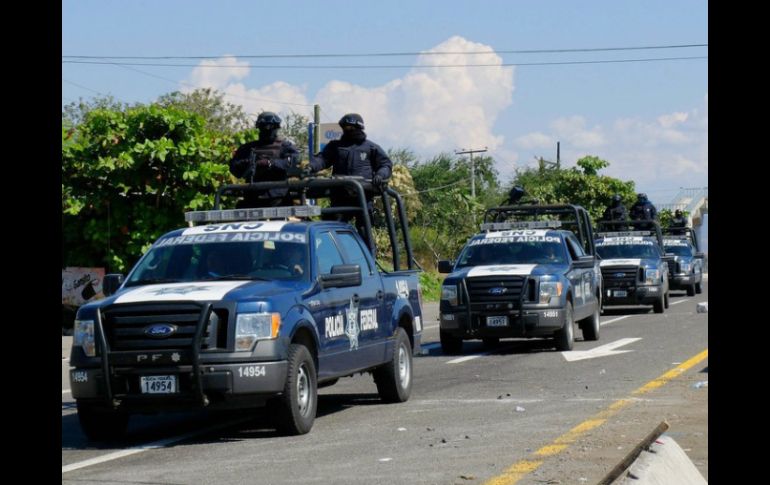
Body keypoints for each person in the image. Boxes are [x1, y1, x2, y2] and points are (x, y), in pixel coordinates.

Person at [308, 113, 392, 251]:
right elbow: (322, 159)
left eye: (351, 128)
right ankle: (330, 259)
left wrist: (380, 175)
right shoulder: (335, 146)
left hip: (363, 197)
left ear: (359, 128)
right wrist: (311, 166)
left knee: (365, 233)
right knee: (332, 232)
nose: (348, 130)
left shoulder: (370, 147)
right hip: (340, 197)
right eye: (346, 128)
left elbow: (385, 164)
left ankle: (370, 261)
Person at [229, 112, 300, 208]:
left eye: (271, 127)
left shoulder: (285, 146)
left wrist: (271, 163)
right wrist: (252, 163)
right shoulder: (248, 148)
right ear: (259, 127)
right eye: (264, 127)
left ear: (276, 128)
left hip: (278, 197)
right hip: (253, 196)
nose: (268, 130)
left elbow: (294, 161)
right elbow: (235, 168)